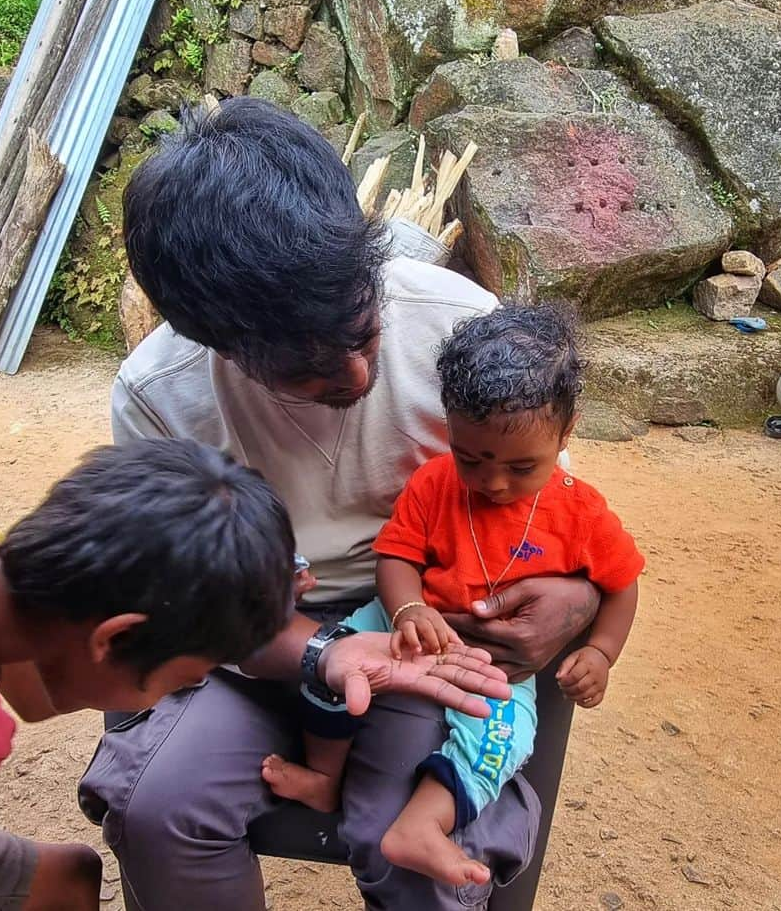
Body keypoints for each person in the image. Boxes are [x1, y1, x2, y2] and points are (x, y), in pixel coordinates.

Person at [79, 98, 606, 910]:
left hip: (438, 630)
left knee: (418, 835)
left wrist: (574, 595)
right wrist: (320, 652)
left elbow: (549, 512)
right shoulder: (162, 396)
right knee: (163, 809)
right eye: (305, 372)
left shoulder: (457, 324)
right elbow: (190, 607)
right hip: (259, 646)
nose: (357, 378)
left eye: (362, 334)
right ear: (214, 341)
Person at [262, 305, 644, 887]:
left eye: (522, 467)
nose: (493, 482)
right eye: (472, 458)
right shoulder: (435, 482)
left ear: (566, 434)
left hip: (497, 665)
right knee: (328, 662)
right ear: (450, 428)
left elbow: (622, 584)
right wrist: (409, 608)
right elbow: (398, 555)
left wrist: (603, 653)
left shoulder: (582, 512)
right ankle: (324, 777)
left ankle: (422, 823)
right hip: (409, 627)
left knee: (498, 740)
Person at [0, 439, 292, 911]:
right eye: (181, 681)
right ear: (114, 639)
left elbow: (37, 702)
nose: (172, 696)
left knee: (68, 879)